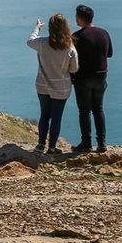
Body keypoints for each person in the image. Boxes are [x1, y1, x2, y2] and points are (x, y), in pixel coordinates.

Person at [27, 14, 79, 154]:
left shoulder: (42, 43)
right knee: (57, 117)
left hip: (42, 85)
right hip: (61, 87)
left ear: (50, 28)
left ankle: (40, 145)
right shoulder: (70, 48)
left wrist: (37, 28)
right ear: (65, 27)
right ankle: (52, 147)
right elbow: (74, 69)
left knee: (44, 115)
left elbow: (30, 41)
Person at [71, 5, 113, 153]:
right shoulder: (104, 33)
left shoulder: (76, 36)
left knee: (84, 111)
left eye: (76, 16)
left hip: (83, 78)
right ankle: (102, 143)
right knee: (98, 109)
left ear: (81, 18)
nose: (75, 19)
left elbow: (71, 58)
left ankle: (86, 142)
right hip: (101, 76)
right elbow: (109, 54)